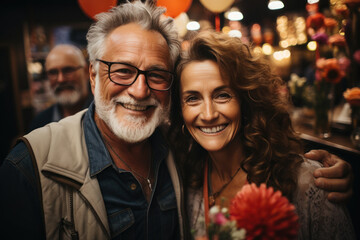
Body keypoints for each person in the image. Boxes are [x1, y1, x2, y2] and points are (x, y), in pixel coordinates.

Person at [0, 1, 352, 240]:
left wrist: (322, 165)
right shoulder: (30, 168)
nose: (139, 91)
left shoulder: (175, 154)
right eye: (122, 71)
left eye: (156, 75)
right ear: (92, 76)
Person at [168, 31, 356, 239]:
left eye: (222, 95)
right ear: (180, 110)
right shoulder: (185, 180)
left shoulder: (307, 184)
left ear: (246, 100)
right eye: (193, 98)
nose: (209, 114)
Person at [28, 44, 93, 131]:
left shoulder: (105, 116)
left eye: (68, 70)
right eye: (53, 72)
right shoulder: (40, 124)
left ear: (86, 72)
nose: (60, 79)